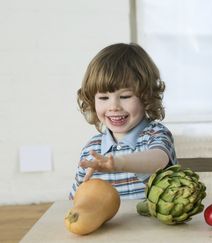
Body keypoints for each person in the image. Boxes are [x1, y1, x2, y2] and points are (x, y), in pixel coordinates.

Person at [69, 43, 177, 200]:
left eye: (125, 96)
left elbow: (159, 159)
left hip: (153, 225)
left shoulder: (155, 134)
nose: (114, 106)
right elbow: (76, 199)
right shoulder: (91, 150)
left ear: (146, 96)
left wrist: (118, 163)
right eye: (103, 98)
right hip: (111, 224)